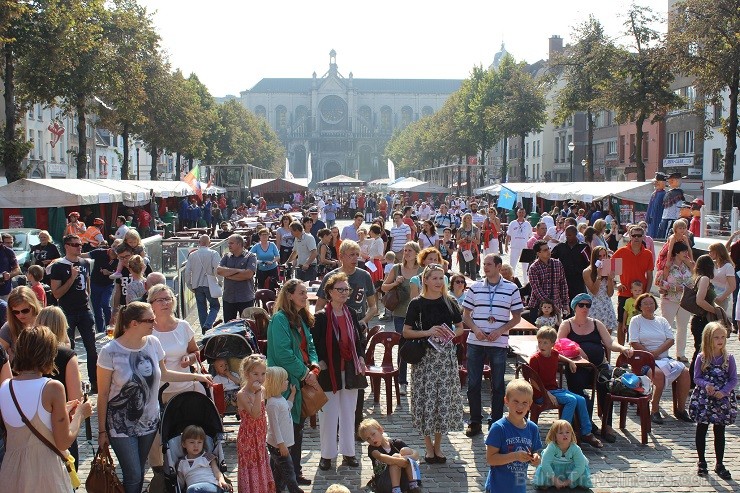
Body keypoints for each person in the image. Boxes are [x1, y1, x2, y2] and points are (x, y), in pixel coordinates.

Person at [97, 302, 212, 493]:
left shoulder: (153, 343)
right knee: (133, 473)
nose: (155, 322)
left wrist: (197, 376)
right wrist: (102, 431)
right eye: (150, 319)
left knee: (140, 471)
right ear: (134, 323)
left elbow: (164, 374)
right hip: (121, 426)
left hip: (150, 422)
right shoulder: (109, 352)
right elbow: (102, 395)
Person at [0, 326, 93, 493]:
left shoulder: (5, 387)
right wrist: (80, 414)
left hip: (11, 471)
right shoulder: (52, 387)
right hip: (45, 471)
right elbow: (64, 441)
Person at [403, 264, 464, 462]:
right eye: (435, 278)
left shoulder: (450, 301)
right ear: (426, 280)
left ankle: (439, 446)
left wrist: (448, 335)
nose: (439, 282)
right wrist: (428, 333)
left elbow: (460, 328)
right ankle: (428, 447)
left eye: (441, 278)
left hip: (445, 358)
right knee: (426, 401)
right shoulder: (416, 303)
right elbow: (406, 332)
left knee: (442, 402)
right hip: (425, 359)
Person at [557, 293, 634, 443]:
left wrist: (623, 348)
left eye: (588, 305)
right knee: (577, 389)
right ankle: (585, 425)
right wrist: (578, 349)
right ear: (575, 307)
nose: (585, 308)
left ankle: (607, 425)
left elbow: (610, 343)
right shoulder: (567, 324)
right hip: (577, 367)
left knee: (607, 386)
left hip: (598, 367)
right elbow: (560, 344)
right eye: (581, 305)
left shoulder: (596, 323)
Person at [462, 254, 523, 437]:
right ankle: (475, 421)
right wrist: (475, 328)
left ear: (498, 266)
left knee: (497, 385)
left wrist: (501, 330)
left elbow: (517, 317)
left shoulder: (511, 288)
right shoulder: (475, 287)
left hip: (499, 342)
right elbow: (465, 315)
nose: (485, 267)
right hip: (475, 341)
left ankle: (496, 422)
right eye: (484, 264)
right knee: (473, 384)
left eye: (489, 264)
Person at [266, 279, 320, 486]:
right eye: (301, 293)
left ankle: (293, 473)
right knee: (284, 431)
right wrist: (306, 374)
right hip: (285, 382)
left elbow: (311, 346)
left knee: (297, 428)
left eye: (306, 293)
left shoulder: (302, 318)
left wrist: (314, 365)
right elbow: (283, 354)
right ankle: (280, 479)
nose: (305, 296)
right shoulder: (280, 319)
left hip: (301, 379)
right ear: (289, 295)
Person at [311, 272, 366, 471]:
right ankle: (327, 455)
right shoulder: (321, 317)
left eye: (346, 290)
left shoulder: (351, 313)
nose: (344, 293)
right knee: (328, 415)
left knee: (349, 413)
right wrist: (321, 362)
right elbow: (315, 344)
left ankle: (349, 452)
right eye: (340, 289)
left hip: (350, 370)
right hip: (329, 373)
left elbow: (358, 339)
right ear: (329, 292)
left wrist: (360, 357)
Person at [148, 284, 204, 470]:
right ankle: (160, 473)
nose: (165, 303)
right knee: (157, 437)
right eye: (160, 299)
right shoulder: (147, 330)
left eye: (168, 299)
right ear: (151, 304)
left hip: (185, 389)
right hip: (157, 391)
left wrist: (190, 358)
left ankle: (187, 467)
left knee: (186, 433)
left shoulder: (183, 326)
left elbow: (195, 351)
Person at [529, 326, 603, 447]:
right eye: (539, 342)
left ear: (552, 344)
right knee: (571, 400)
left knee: (581, 399)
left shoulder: (553, 353)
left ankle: (586, 432)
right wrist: (547, 394)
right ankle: (560, 434)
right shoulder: (535, 359)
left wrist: (570, 361)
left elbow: (558, 356)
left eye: (545, 342)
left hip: (555, 390)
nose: (541, 345)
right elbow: (533, 381)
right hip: (542, 394)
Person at [628, 292, 693, 424]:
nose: (649, 306)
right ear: (640, 306)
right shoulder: (636, 321)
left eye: (651, 303)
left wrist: (657, 352)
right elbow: (634, 342)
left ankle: (681, 409)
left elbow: (670, 339)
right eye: (645, 304)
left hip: (663, 358)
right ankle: (654, 409)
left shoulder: (661, 321)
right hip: (644, 360)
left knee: (685, 372)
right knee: (658, 375)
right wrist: (649, 354)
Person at [37, 305, 83, 470]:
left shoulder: (27, 354)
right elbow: (75, 400)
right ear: (62, 326)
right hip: (61, 426)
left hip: (35, 425)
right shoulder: (66, 355)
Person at [50, 234, 98, 391]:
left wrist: (87, 298)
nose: (79, 247)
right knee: (68, 349)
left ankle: (95, 383)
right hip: (67, 312)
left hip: (84, 310)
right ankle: (72, 383)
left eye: (80, 244)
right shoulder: (58, 266)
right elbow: (56, 293)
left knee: (92, 348)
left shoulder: (85, 262)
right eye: (75, 244)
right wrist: (71, 278)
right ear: (67, 246)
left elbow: (87, 286)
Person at [688, 322, 737, 480]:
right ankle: (702, 461)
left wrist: (724, 392)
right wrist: (706, 385)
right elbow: (696, 377)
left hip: (721, 399)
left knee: (719, 431)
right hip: (705, 399)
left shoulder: (728, 358)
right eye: (716, 337)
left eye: (723, 337)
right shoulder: (702, 358)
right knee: (702, 428)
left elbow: (733, 379)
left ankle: (719, 463)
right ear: (709, 339)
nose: (720, 340)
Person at [484, 379, 542, 493]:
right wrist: (515, 456)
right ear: (506, 401)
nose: (520, 406)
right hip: (497, 488)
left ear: (530, 404)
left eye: (525, 403)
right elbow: (490, 459)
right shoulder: (498, 428)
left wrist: (536, 459)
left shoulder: (533, 428)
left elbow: (536, 452)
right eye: (515, 401)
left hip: (519, 488)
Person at [381, 241, 422, 395]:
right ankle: (402, 381)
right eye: (405, 250)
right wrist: (394, 283)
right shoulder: (396, 268)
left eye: (410, 250)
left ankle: (418, 380)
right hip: (400, 314)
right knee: (403, 348)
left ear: (417, 253)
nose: (407, 253)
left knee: (419, 347)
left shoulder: (422, 270)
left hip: (418, 315)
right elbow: (383, 287)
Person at [236, 354, 275, 493]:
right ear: (247, 374)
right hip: (248, 438)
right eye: (256, 374)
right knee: (250, 466)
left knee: (261, 464)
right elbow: (255, 413)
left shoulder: (262, 390)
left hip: (259, 437)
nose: (260, 378)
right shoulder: (242, 394)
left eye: (263, 374)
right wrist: (258, 393)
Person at [612, 224, 654, 345]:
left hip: (641, 295)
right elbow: (608, 270)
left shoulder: (647, 254)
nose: (636, 238)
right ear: (630, 236)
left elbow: (650, 275)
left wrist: (647, 293)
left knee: (641, 323)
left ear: (643, 237)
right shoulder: (622, 252)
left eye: (639, 235)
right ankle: (622, 352)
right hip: (625, 293)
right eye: (634, 235)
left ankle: (638, 352)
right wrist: (616, 284)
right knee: (622, 323)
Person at [358, 418, 422, 493]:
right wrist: (400, 460)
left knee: (406, 450)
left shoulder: (396, 443)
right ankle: (396, 490)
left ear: (381, 430)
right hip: (386, 482)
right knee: (394, 458)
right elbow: (382, 457)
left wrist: (406, 459)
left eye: (373, 434)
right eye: (368, 438)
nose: (372, 439)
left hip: (403, 478)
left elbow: (416, 454)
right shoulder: (372, 450)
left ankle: (413, 485)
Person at [264, 366, 301, 493]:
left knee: (279, 472)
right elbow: (274, 426)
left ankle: (275, 490)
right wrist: (281, 444)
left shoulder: (280, 399)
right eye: (284, 380)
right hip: (279, 445)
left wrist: (292, 394)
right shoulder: (273, 403)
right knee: (289, 472)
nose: (287, 382)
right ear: (277, 383)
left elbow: (287, 408)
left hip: (284, 444)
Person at [531, 419, 593, 490]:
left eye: (567, 432)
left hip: (570, 470)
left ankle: (575, 482)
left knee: (582, 469)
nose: (565, 435)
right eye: (560, 433)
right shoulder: (552, 446)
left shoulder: (575, 448)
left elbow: (580, 466)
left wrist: (568, 481)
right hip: (554, 469)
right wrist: (554, 480)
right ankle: (547, 482)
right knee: (543, 468)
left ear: (572, 434)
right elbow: (545, 463)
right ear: (554, 436)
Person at [659, 242, 693, 362]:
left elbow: (694, 279)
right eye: (683, 251)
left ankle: (681, 353)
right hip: (670, 300)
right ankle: (663, 352)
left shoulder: (687, 266)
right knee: (666, 327)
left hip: (685, 301)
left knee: (683, 328)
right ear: (677, 253)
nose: (686, 253)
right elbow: (659, 282)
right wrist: (673, 287)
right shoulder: (668, 265)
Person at [689, 255, 719, 387]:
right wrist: (714, 310)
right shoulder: (705, 279)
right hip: (702, 320)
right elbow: (699, 300)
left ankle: (695, 379)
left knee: (702, 350)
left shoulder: (698, 278)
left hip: (699, 320)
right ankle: (692, 380)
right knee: (701, 351)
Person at [183, 235, 222, 334]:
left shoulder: (192, 255)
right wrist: (220, 282)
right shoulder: (213, 253)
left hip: (197, 285)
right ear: (209, 242)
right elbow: (217, 269)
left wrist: (189, 285)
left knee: (201, 309)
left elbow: (187, 272)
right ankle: (208, 325)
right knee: (215, 306)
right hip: (210, 284)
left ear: (199, 242)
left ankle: (204, 331)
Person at [177, 425, 231, 493]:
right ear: (184, 444)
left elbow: (217, 472)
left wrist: (222, 481)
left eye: (199, 442)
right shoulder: (181, 463)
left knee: (193, 489)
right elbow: (180, 483)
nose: (196, 445)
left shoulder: (208, 457)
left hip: (211, 485)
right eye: (192, 442)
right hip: (193, 489)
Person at [526, 240, 569, 324]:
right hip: (538, 307)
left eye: (548, 248)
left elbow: (563, 284)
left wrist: (565, 303)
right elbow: (537, 289)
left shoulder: (557, 264)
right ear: (538, 253)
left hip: (556, 306)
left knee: (555, 333)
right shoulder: (533, 268)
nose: (549, 251)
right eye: (545, 250)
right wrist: (550, 305)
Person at [216, 234, 257, 322]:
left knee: (248, 326)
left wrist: (227, 274)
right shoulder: (226, 256)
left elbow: (248, 274)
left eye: (231, 243)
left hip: (245, 298)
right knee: (228, 327)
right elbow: (219, 270)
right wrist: (239, 271)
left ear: (239, 244)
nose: (229, 245)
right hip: (229, 298)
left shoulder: (251, 256)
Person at [0, 286, 41, 360]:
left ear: (33, 306)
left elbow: (66, 344)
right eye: (16, 312)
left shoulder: (46, 319)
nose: (21, 315)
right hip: (18, 370)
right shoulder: (8, 328)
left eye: (25, 311)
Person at [583, 246, 618, 335]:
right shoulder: (587, 271)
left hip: (606, 305)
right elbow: (594, 291)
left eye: (604, 255)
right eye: (599, 256)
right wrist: (599, 275)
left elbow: (610, 293)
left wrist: (610, 279)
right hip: (594, 306)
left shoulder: (608, 269)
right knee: (594, 335)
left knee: (607, 338)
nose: (602, 258)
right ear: (594, 257)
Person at [87, 241, 119, 333]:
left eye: (118, 247)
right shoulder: (100, 252)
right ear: (111, 246)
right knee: (97, 309)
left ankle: (110, 327)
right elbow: (84, 255)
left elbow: (120, 273)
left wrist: (109, 273)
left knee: (105, 303)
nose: (115, 249)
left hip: (108, 285)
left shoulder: (120, 258)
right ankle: (101, 331)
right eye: (114, 246)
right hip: (95, 283)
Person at [551, 225, 590, 301]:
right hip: (564, 279)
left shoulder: (583, 247)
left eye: (570, 235)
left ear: (575, 234)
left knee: (578, 301)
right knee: (565, 300)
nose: (567, 237)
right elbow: (551, 259)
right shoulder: (560, 247)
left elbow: (589, 262)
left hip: (579, 280)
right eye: (566, 235)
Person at [506, 208, 532, 284]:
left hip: (525, 248)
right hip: (514, 247)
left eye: (522, 212)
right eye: (519, 212)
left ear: (524, 214)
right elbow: (508, 235)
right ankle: (511, 280)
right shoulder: (512, 223)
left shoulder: (527, 224)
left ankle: (526, 282)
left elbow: (530, 236)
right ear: (517, 213)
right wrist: (506, 245)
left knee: (525, 266)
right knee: (512, 265)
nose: (521, 214)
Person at [657, 172, 686, 240]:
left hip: (665, 219)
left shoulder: (668, 193)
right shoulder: (678, 193)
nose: (681, 181)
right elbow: (678, 208)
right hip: (672, 220)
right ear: (674, 181)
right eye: (679, 180)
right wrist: (678, 218)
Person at [709, 242, 736, 314]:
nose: (709, 253)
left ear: (717, 252)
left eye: (711, 251)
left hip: (721, 300)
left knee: (719, 322)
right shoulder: (712, 264)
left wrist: (721, 298)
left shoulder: (728, 266)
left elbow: (733, 286)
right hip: (710, 297)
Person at [457, 213, 480, 280]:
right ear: (464, 219)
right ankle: (461, 283)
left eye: (470, 218)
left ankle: (473, 283)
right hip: (462, 250)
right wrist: (462, 240)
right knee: (462, 270)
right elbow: (457, 242)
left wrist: (471, 239)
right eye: (468, 218)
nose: (469, 219)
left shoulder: (475, 229)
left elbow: (478, 241)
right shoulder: (460, 229)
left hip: (472, 250)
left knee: (473, 270)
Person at [646, 172, 667, 239]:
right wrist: (647, 218)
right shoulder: (654, 194)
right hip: (652, 220)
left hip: (658, 218)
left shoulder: (663, 194)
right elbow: (650, 207)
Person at [0, 234, 20, 302]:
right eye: (7, 242)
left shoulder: (8, 251)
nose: (10, 245)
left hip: (5, 292)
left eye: (11, 242)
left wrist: (9, 275)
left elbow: (17, 269)